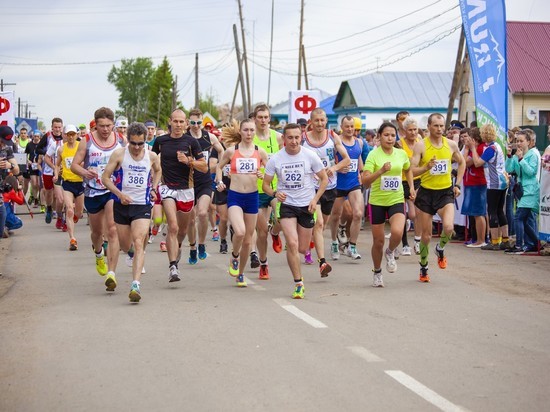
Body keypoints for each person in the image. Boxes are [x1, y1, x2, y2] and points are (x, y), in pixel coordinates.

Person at [263, 123, 328, 299]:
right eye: (289, 137)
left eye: (296, 137)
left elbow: (324, 179)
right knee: (291, 243)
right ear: (284, 139)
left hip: (306, 205)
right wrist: (276, 193)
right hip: (288, 205)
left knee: (302, 248)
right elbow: (265, 185)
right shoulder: (276, 159)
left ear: (302, 137)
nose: (293, 141)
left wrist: (315, 200)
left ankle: (274, 231)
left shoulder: (310, 156)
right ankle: (298, 283)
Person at [102, 122, 161, 302]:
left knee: (138, 242)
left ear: (145, 142)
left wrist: (154, 188)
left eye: (140, 144)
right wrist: (119, 194)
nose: (136, 148)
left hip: (142, 205)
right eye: (133, 143)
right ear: (128, 141)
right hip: (122, 204)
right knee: (126, 245)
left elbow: (158, 171)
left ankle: (135, 284)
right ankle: (126, 257)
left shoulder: (151, 156)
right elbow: (105, 178)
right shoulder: (119, 154)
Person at [71, 107, 125, 292]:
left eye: (109, 125)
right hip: (93, 191)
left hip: (112, 190)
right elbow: (74, 165)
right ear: (95, 125)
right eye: (101, 126)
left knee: (112, 229)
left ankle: (111, 273)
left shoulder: (120, 141)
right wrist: (86, 172)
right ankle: (98, 253)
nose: (105, 129)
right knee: (96, 233)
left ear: (113, 124)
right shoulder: (87, 141)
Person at [152, 109, 208, 282]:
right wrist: (153, 185)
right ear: (170, 122)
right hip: (167, 188)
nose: (178, 125)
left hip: (186, 189)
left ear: (185, 124)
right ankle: (173, 267)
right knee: (173, 227)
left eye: (181, 122)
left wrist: (189, 161)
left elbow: (204, 167)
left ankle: (178, 247)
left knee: (182, 230)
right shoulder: (160, 141)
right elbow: (151, 160)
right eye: (175, 121)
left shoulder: (191, 142)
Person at [410, 113, 465, 282]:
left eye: (442, 126)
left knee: (448, 228)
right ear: (429, 126)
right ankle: (424, 267)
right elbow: (411, 170)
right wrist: (426, 167)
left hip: (445, 192)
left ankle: (440, 249)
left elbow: (461, 162)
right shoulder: (421, 146)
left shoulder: (451, 145)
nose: (439, 129)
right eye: (436, 126)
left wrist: (457, 184)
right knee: (426, 237)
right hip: (426, 193)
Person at [215, 119, 268, 288]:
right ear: (241, 132)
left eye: (252, 130)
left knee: (247, 241)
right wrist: (219, 181)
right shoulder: (231, 151)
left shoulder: (261, 153)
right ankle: (234, 256)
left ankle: (241, 273)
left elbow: (271, 171)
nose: (249, 133)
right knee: (240, 232)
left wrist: (263, 175)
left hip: (252, 197)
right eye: (246, 130)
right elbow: (218, 167)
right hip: (236, 196)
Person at [362, 122, 415, 287]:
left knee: (397, 232)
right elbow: (365, 182)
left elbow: (408, 169)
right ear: (379, 136)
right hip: (377, 201)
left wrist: (412, 187)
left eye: (393, 135)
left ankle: (390, 251)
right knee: (378, 242)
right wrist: (380, 171)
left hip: (396, 199)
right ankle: (377, 272)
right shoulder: (373, 155)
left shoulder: (401, 154)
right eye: (386, 135)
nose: (390, 138)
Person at [302, 108, 350, 276]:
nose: (320, 124)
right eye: (316, 121)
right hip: (312, 188)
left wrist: (335, 167)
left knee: (322, 226)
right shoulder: (304, 140)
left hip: (330, 187)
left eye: (323, 120)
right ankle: (322, 263)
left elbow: (347, 159)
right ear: (311, 122)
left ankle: (310, 244)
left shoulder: (332, 136)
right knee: (319, 223)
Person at [185, 109, 224, 264]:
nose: (196, 126)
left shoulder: (209, 137)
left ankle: (201, 244)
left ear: (202, 122)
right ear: (189, 122)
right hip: (187, 182)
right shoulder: (184, 137)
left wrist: (218, 168)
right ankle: (193, 247)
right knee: (190, 219)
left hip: (205, 181)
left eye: (199, 122)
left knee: (202, 213)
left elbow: (221, 151)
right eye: (193, 123)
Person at [465, 124, 510, 251]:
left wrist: (473, 149)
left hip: (494, 182)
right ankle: (505, 239)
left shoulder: (490, 149)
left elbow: (478, 163)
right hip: (502, 181)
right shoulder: (497, 146)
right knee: (500, 211)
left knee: (492, 211)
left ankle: (495, 241)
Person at [252, 104, 284, 280]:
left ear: (269, 118)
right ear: (255, 119)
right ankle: (263, 264)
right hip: (255, 189)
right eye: (260, 117)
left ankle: (276, 232)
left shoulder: (278, 138)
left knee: (282, 218)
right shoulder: (250, 139)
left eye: (266, 117)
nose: (263, 120)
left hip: (274, 187)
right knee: (261, 230)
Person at [329, 116, 364, 260]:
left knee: (358, 214)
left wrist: (361, 173)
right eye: (347, 126)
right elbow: (330, 160)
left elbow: (358, 159)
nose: (350, 129)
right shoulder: (335, 142)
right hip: (338, 184)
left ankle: (352, 246)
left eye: (352, 126)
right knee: (336, 215)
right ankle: (334, 242)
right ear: (342, 127)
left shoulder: (359, 142)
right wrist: (337, 168)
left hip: (353, 183)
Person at [505, 129, 541, 254]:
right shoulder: (518, 154)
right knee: (524, 220)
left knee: (518, 217)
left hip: (530, 190)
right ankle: (536, 243)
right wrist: (510, 156)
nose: (518, 143)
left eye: (521, 141)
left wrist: (521, 159)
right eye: (517, 141)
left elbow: (531, 172)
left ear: (528, 142)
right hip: (521, 190)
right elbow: (509, 169)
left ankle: (519, 245)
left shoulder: (533, 154)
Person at [54, 125, 85, 251]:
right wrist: (56, 174)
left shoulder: (81, 147)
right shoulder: (61, 150)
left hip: (80, 182)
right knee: (70, 210)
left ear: (77, 135)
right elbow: (57, 165)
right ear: (65, 135)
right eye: (69, 134)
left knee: (78, 213)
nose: (71, 137)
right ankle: (72, 239)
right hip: (67, 183)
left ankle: (74, 218)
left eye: (73, 134)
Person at [398, 117, 423, 255]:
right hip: (401, 181)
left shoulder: (421, 144)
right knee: (402, 214)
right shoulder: (399, 144)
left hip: (418, 180)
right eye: (410, 130)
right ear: (405, 131)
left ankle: (417, 241)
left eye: (415, 129)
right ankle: (405, 244)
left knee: (416, 213)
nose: (413, 132)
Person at [461, 127, 488, 247]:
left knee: (478, 212)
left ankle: (481, 240)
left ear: (475, 139)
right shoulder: (474, 148)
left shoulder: (480, 148)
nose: (467, 140)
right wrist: (467, 149)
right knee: (474, 213)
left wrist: (469, 148)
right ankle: (478, 238)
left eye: (469, 138)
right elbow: (463, 162)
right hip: (470, 183)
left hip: (478, 183)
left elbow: (467, 162)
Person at [36, 117, 64, 224]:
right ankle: (48, 208)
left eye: (59, 127)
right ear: (52, 127)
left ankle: (59, 214)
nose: (57, 129)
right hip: (48, 169)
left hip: (60, 170)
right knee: (49, 192)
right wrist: (47, 151)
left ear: (62, 127)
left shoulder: (65, 137)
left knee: (59, 194)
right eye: (55, 127)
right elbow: (38, 149)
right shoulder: (47, 136)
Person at [0, 126, 21, 238]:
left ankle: (4, 226)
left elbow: (17, 169)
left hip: (3, 186)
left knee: (14, 221)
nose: (4, 143)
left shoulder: (7, 149)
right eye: (3, 140)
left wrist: (10, 165)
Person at [25, 131, 42, 208]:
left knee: (39, 184)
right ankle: (35, 199)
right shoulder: (29, 145)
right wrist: (28, 160)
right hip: (32, 166)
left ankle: (39, 198)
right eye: (35, 136)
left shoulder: (41, 144)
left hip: (39, 165)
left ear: (40, 137)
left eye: (37, 136)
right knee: (34, 183)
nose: (36, 138)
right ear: (32, 136)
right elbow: (25, 155)